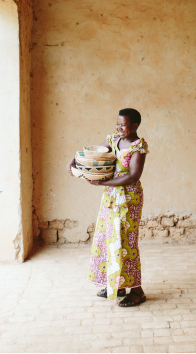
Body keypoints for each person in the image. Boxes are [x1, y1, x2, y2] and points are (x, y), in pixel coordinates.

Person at [67, 108, 149, 306]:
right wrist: (75, 161)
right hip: (111, 197)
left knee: (126, 243)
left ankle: (137, 291)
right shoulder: (114, 140)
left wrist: (102, 183)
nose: (119, 128)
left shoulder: (138, 146)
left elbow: (133, 176)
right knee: (108, 238)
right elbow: (94, 152)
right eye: (118, 124)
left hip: (129, 199)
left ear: (135, 126)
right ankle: (117, 285)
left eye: (123, 125)